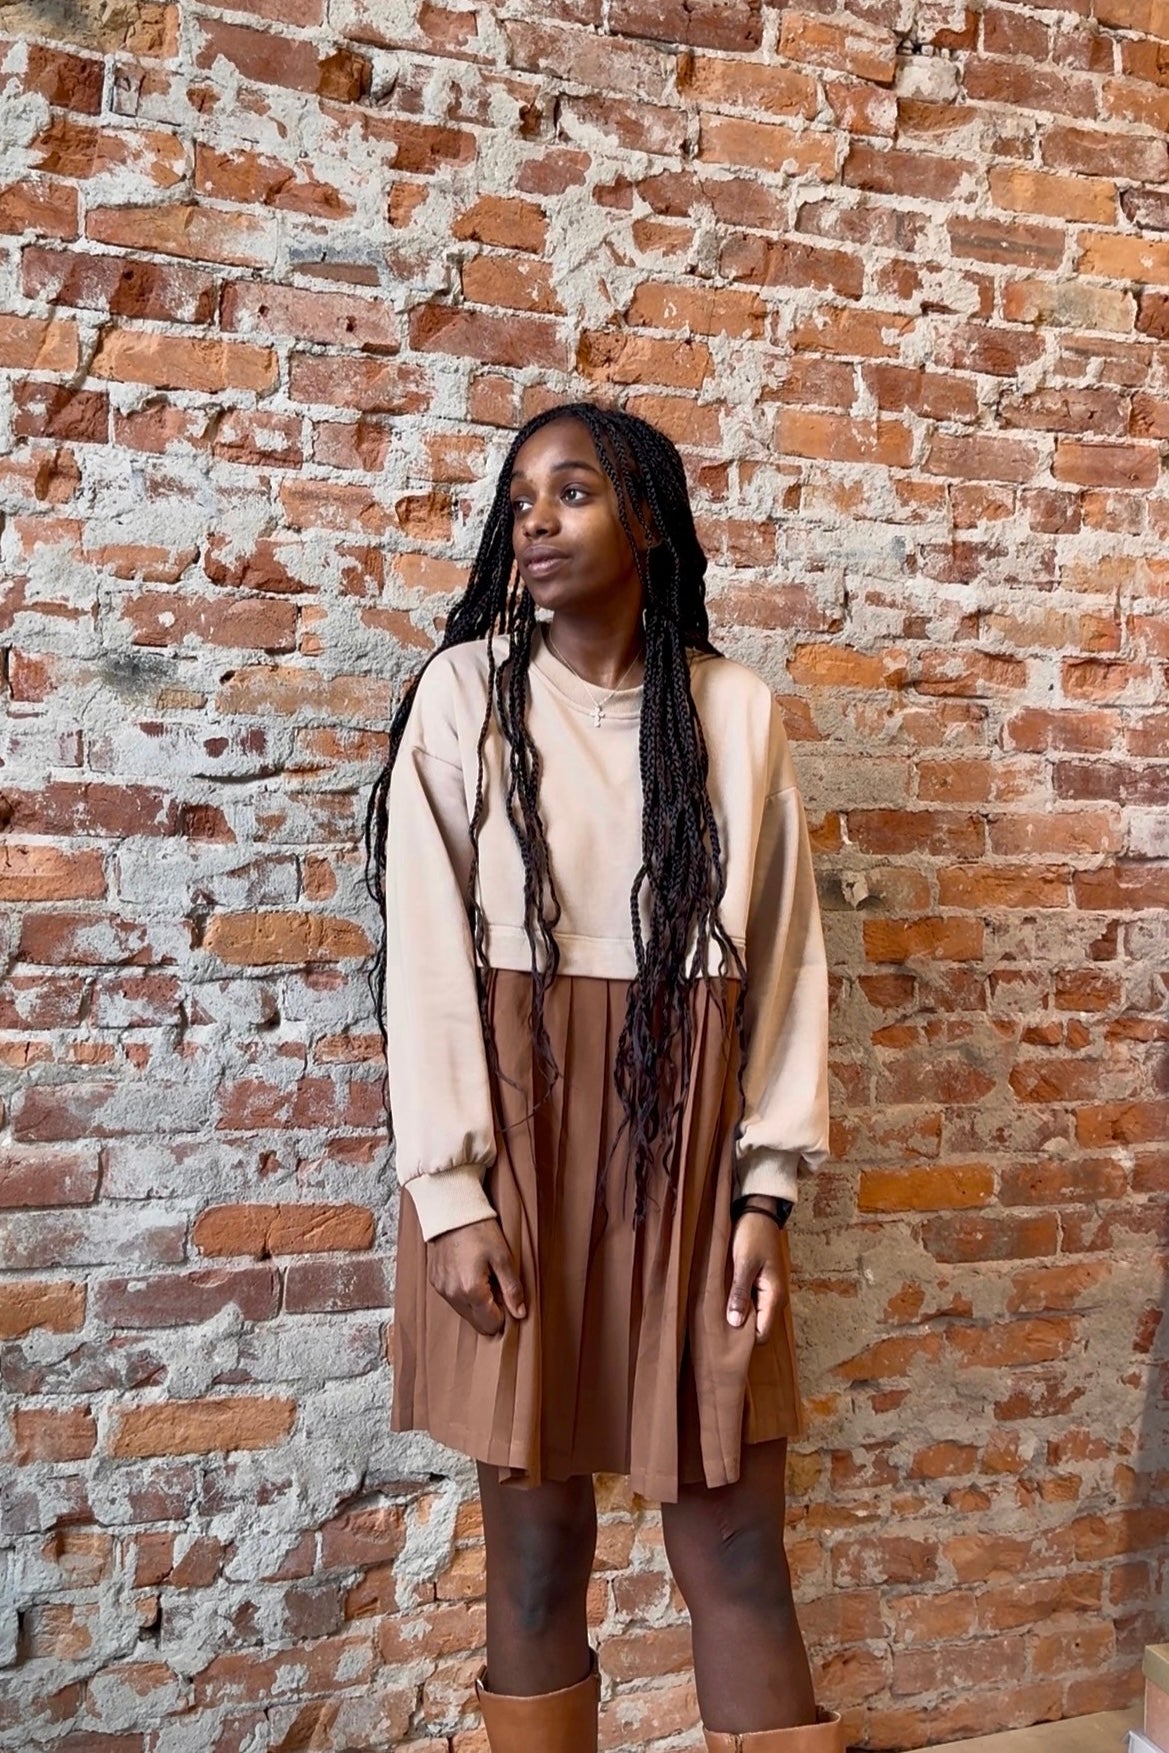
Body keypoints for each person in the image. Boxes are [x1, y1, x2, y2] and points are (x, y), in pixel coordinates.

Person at [365, 399, 841, 1753]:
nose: (536, 521)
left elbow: (784, 962)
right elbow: (424, 959)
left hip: (686, 1152)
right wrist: (449, 1196)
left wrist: (765, 1191)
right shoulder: (466, 696)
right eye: (519, 499)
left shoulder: (732, 713)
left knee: (737, 1545)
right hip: (515, 1150)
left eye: (572, 492)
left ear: (648, 520)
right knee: (535, 1549)